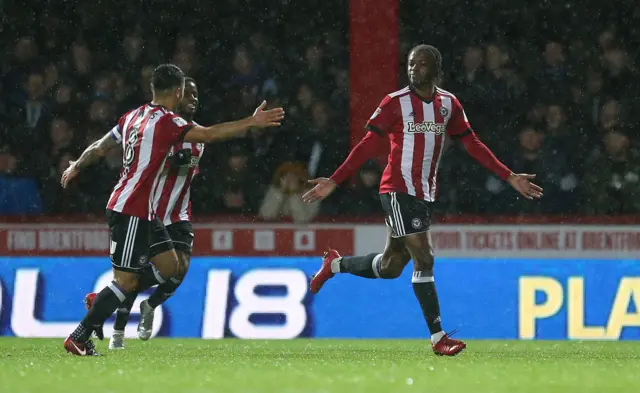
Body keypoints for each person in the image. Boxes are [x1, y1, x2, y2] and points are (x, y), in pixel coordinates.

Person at [302, 45, 542, 357]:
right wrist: (334, 180)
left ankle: (333, 265)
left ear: (437, 70)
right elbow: (366, 145)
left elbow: (472, 143)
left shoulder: (448, 104)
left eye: (422, 63)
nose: (414, 68)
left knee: (391, 266)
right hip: (397, 190)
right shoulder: (394, 102)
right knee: (424, 258)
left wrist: (509, 176)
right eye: (411, 63)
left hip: (424, 193)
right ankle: (438, 337)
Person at [60, 64, 284, 356]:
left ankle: (104, 299)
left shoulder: (132, 116)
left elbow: (101, 147)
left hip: (142, 210)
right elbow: (211, 134)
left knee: (171, 267)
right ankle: (79, 336)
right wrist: (250, 122)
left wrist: (77, 164)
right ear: (178, 92)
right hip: (131, 209)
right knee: (125, 281)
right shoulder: (168, 122)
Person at [83, 77, 205, 349]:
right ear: (177, 94)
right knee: (134, 273)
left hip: (179, 212)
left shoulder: (198, 136)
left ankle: (148, 305)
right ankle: (116, 332)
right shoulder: (159, 126)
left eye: (197, 95)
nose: (194, 100)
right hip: (151, 211)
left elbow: (188, 174)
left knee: (179, 269)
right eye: (189, 94)